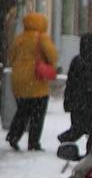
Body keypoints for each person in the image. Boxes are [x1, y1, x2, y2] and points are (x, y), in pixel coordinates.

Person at [6, 13, 58, 152]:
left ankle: (13, 136)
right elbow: (53, 56)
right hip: (36, 81)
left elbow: (11, 57)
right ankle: (33, 142)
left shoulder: (19, 39)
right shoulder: (42, 37)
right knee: (38, 114)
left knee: (22, 111)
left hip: (18, 81)